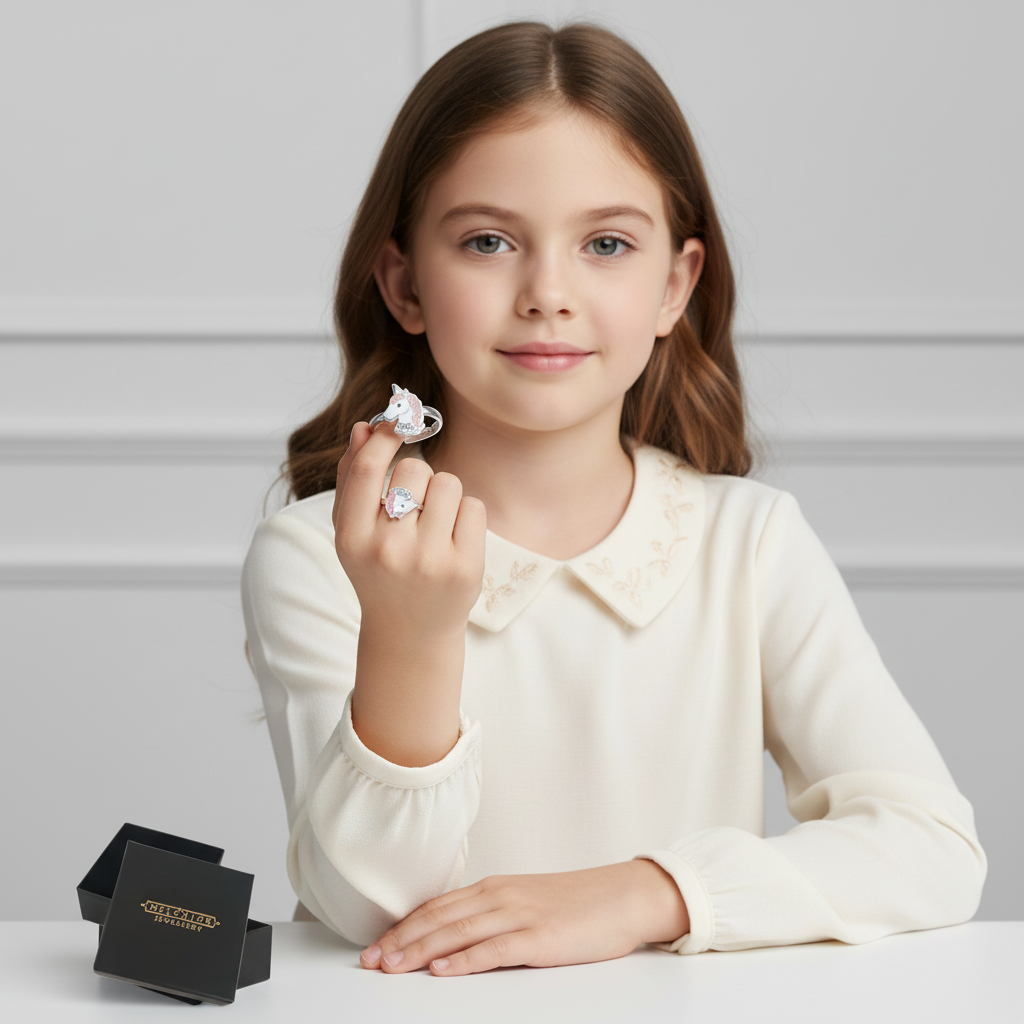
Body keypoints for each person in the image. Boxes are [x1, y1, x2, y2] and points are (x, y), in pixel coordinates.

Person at [241, 21, 986, 977]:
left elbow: (931, 846)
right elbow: (373, 912)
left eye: (604, 243)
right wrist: (415, 634)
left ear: (676, 284)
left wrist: (643, 892)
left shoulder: (748, 544)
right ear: (405, 283)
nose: (548, 292)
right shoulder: (319, 555)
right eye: (487, 240)